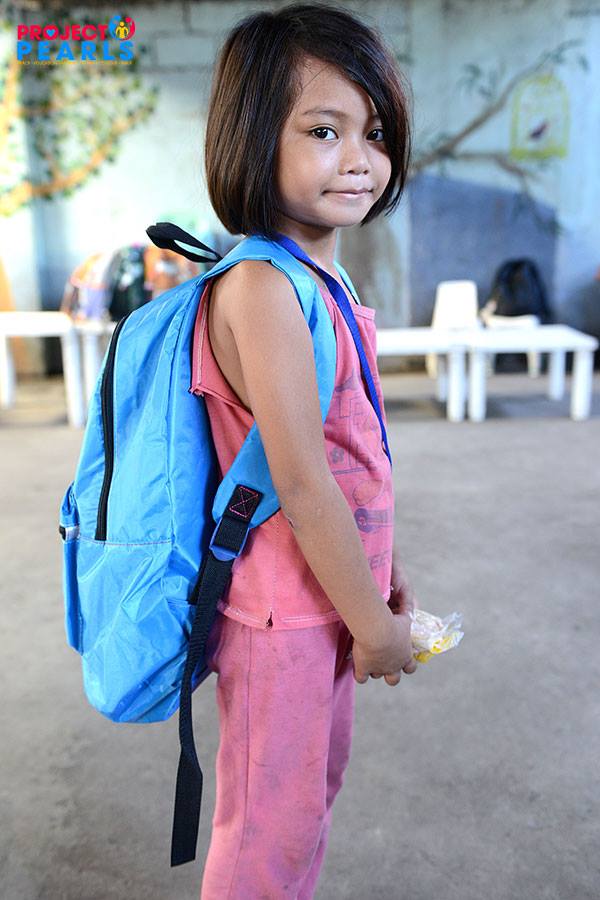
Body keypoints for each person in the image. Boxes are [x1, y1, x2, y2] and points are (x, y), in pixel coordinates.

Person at [193, 4, 418, 897]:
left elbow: (354, 451)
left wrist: (380, 572)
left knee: (307, 802)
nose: (359, 158)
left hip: (326, 598)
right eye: (324, 131)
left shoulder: (323, 277)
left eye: (375, 132)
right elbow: (301, 477)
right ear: (254, 137)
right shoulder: (261, 286)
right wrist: (375, 628)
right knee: (266, 831)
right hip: (281, 616)